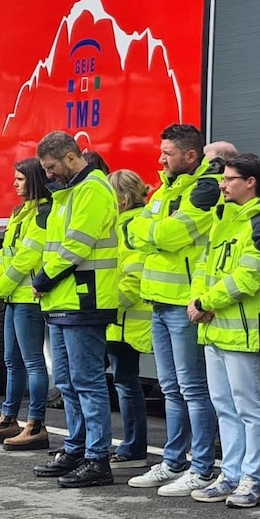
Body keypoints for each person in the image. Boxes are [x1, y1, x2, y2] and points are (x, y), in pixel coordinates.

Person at [126, 124, 224, 497]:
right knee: (170, 388)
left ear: (190, 156)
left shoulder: (205, 189)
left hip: (185, 305)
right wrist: (155, 231)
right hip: (158, 301)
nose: (160, 159)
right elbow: (133, 231)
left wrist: (153, 232)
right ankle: (174, 462)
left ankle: (201, 468)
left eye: (167, 153)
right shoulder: (167, 188)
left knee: (192, 389)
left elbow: (169, 235)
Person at [189, 153, 260, 508]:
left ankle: (254, 479)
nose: (222, 185)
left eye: (229, 179)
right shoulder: (225, 219)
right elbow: (204, 266)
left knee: (250, 408)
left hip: (244, 332)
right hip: (217, 329)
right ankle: (230, 475)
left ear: (251, 183)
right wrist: (198, 300)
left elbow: (247, 278)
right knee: (225, 408)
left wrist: (204, 302)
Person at [29, 131, 121, 488]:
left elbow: (75, 246)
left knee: (86, 381)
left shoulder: (92, 189)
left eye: (51, 166)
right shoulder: (71, 192)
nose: (48, 174)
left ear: (71, 157)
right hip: (66, 300)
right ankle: (78, 448)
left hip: (84, 299)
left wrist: (43, 278)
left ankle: (96, 458)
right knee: (68, 382)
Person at [0, 158, 53, 451]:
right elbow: (5, 254)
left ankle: (36, 425)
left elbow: (27, 258)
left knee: (32, 362)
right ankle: (8, 419)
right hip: (13, 296)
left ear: (33, 180)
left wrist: (0, 287)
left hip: (28, 298)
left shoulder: (42, 213)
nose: (14, 184)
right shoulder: (21, 212)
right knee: (12, 361)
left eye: (20, 179)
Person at [106, 170, 153, 470]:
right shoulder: (134, 222)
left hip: (123, 320)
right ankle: (132, 446)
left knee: (125, 383)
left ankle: (134, 448)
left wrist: (106, 307)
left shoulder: (127, 227)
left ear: (122, 200)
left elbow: (132, 277)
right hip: (123, 319)